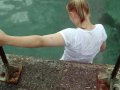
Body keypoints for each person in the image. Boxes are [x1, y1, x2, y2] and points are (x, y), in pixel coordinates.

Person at [0, 0, 107, 63]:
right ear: (88, 11)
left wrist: (6, 39)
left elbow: (40, 41)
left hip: (66, 67)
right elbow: (102, 48)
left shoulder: (71, 34)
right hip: (87, 66)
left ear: (73, 15)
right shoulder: (101, 29)